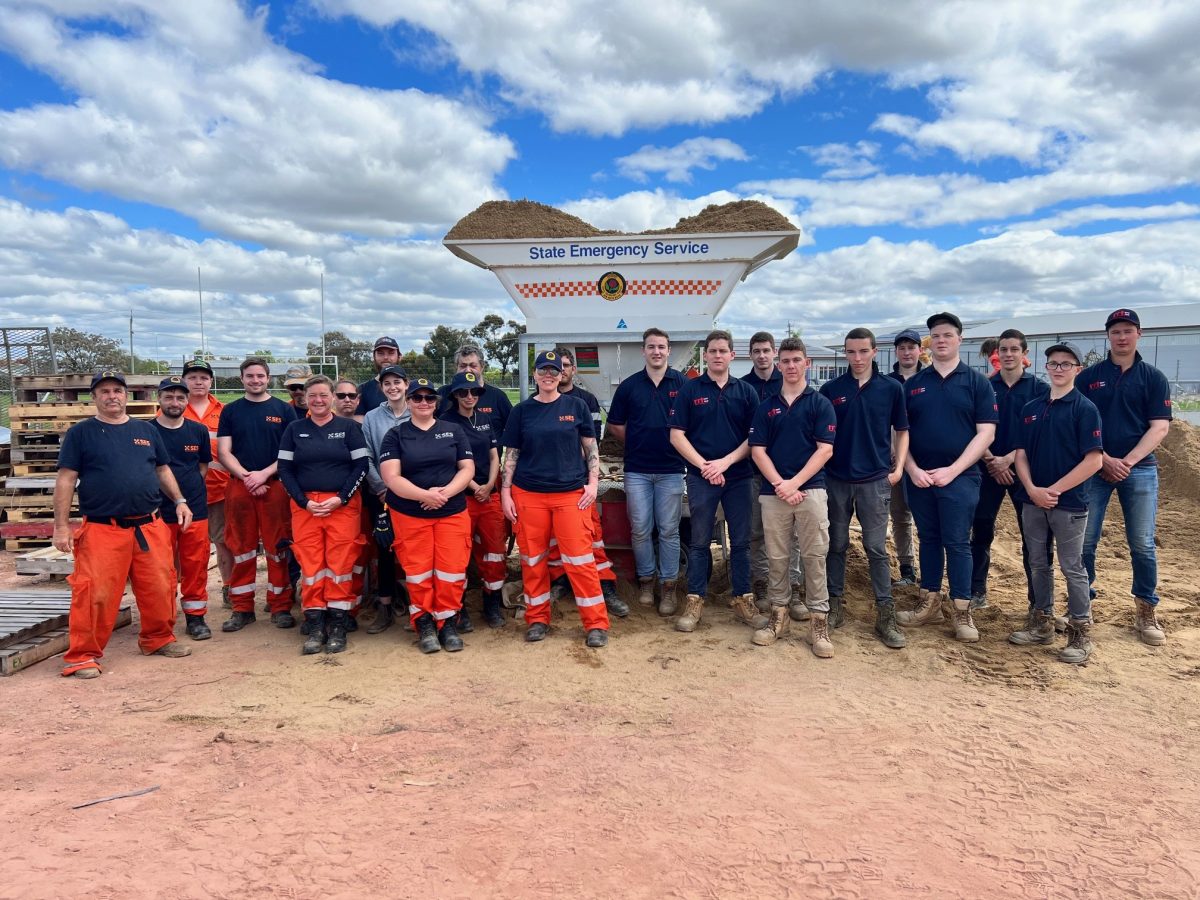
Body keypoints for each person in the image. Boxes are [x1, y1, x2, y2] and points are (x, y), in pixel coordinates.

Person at [53, 370, 193, 678]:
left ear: (125, 395)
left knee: (160, 586)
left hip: (150, 525)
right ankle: (83, 656)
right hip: (104, 529)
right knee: (95, 594)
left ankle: (158, 639)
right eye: (104, 391)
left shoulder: (146, 431)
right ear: (95, 397)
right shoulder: (82, 433)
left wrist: (180, 500)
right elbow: (66, 479)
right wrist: (61, 526)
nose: (112, 396)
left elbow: (162, 470)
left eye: (117, 390)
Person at [898, 312, 998, 643]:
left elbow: (986, 433)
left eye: (947, 335)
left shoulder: (977, 383)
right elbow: (900, 434)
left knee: (956, 541)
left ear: (959, 339)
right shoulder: (914, 385)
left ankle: (961, 609)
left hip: (960, 477)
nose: (941, 340)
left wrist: (953, 470)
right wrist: (912, 469)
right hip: (921, 477)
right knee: (928, 538)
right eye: (935, 336)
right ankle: (928, 601)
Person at [500, 351, 610, 647]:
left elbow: (591, 447)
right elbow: (512, 455)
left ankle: (596, 623)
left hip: (570, 495)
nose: (548, 375)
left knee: (580, 561)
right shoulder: (521, 411)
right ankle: (537, 618)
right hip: (529, 495)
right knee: (533, 561)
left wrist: (592, 484)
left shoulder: (576, 406)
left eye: (554, 370)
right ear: (534, 375)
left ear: (561, 374)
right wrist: (506, 492)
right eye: (542, 371)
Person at [1077, 308, 1173, 646]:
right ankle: (1081, 605)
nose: (1122, 336)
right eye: (1116, 331)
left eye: (1128, 330)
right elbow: (1078, 423)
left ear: (1138, 335)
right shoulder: (1088, 378)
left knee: (1142, 544)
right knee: (1085, 541)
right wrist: (1103, 459)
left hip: (1140, 469)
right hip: (1094, 467)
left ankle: (1146, 609)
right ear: (1108, 336)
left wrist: (1127, 462)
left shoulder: (1153, 377)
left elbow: (1159, 426)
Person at [1009, 342, 1104, 663]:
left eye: (1066, 364)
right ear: (1045, 367)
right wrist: (1033, 489)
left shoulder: (1085, 409)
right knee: (1037, 563)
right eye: (1053, 363)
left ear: (1077, 369)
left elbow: (1093, 460)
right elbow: (1020, 454)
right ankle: (1042, 622)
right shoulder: (1031, 408)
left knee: (1072, 566)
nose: (1059, 368)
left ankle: (1080, 632)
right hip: (1032, 500)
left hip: (1069, 504)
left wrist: (1053, 491)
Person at [819, 328, 910, 649]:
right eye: (851, 352)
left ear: (874, 352)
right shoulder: (831, 390)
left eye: (862, 351)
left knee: (875, 547)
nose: (857, 358)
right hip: (837, 480)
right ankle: (834, 605)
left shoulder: (891, 389)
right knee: (837, 544)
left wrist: (898, 469)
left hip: (875, 481)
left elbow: (902, 431)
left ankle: (886, 614)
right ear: (845, 353)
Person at [668, 330, 763, 633]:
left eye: (724, 351)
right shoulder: (690, 390)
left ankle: (743, 599)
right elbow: (676, 435)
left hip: (738, 477)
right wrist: (705, 466)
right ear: (705, 355)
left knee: (741, 542)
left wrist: (725, 462)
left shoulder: (746, 392)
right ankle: (695, 601)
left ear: (732, 356)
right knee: (698, 542)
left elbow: (755, 438)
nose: (718, 355)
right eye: (713, 351)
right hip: (700, 478)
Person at [749, 338, 837, 655]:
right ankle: (778, 617)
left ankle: (818, 623)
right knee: (777, 557)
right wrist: (780, 484)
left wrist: (795, 483)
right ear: (778, 363)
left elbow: (825, 449)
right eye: (784, 361)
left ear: (807, 362)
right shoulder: (766, 405)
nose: (790, 366)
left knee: (814, 556)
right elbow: (757, 450)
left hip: (811, 490)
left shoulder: (819, 403)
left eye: (796, 360)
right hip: (774, 494)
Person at [380, 378, 475, 653]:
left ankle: (448, 623)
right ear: (408, 402)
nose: (424, 403)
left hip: (451, 512)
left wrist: (442, 494)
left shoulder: (453, 430)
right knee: (418, 571)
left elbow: (467, 468)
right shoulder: (395, 435)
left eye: (429, 398)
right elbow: (391, 477)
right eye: (417, 398)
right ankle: (423, 623)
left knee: (451, 570)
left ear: (437, 402)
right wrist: (425, 496)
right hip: (411, 514)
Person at [277, 375, 369, 654]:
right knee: (312, 565)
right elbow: (284, 470)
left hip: (342, 505)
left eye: (324, 395)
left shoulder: (349, 428)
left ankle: (339, 624)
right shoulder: (295, 429)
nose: (318, 400)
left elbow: (361, 466)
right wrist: (304, 501)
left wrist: (341, 498)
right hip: (306, 507)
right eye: (313, 395)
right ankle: (315, 624)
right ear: (305, 398)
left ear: (332, 398)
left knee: (340, 565)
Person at [606, 327, 687, 613]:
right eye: (651, 346)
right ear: (643, 351)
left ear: (669, 351)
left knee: (668, 530)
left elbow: (692, 424)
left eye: (661, 347)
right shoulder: (629, 387)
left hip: (671, 470)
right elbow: (615, 424)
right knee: (640, 529)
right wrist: (638, 438)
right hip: (637, 470)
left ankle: (668, 588)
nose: (656, 351)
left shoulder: (683, 384)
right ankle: (645, 581)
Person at [969, 329, 1049, 609]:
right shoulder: (985, 387)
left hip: (1024, 471)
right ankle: (976, 590)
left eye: (1014, 350)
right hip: (988, 469)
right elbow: (975, 427)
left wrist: (1010, 459)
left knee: (1033, 537)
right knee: (981, 530)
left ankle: (1037, 600)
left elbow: (1040, 433)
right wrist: (992, 460)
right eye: (1003, 350)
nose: (1008, 355)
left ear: (1024, 354)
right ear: (997, 353)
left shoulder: (1040, 390)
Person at [216, 357, 298, 632]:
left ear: (268, 378)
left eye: (260, 376)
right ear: (242, 379)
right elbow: (224, 451)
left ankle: (280, 606)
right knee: (241, 548)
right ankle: (242, 608)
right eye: (250, 376)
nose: (255, 381)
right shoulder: (231, 411)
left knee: (278, 548)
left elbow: (290, 452)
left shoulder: (283, 410)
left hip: (275, 485)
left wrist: (263, 474)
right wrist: (248, 477)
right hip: (241, 486)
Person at [545, 347, 628, 618]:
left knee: (592, 539)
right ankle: (560, 583)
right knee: (554, 540)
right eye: (558, 366)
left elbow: (592, 441)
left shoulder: (586, 401)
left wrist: (568, 462)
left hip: (579, 483)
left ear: (573, 369)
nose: (563, 370)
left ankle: (605, 586)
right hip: (549, 486)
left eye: (567, 365)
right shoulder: (539, 401)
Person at [741, 331, 802, 608]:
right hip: (755, 472)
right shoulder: (742, 387)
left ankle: (794, 584)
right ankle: (762, 584)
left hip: (791, 473)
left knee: (794, 535)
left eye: (767, 350)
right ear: (750, 354)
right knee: (757, 532)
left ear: (774, 354)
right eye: (757, 351)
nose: (762, 355)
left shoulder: (789, 381)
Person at [442, 370, 507, 628]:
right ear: (455, 394)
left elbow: (494, 455)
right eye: (463, 392)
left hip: (488, 497)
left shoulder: (484, 419)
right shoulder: (445, 421)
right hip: (461, 498)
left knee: (495, 552)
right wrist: (474, 486)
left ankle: (491, 604)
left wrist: (490, 484)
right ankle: (460, 609)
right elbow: (451, 462)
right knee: (458, 555)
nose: (469, 397)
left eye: (474, 392)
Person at [153, 376, 213, 640]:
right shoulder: (146, 431)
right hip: (158, 511)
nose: (174, 402)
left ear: (187, 401)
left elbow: (202, 466)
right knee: (161, 568)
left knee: (195, 565)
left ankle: (195, 618)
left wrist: (188, 495)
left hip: (196, 509)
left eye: (180, 397)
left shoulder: (197, 430)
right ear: (159, 399)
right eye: (169, 397)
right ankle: (163, 619)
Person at [361, 364, 411, 633]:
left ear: (406, 384)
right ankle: (385, 606)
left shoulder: (419, 409)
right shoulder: (371, 417)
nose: (393, 387)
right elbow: (367, 454)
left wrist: (407, 489)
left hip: (413, 494)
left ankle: (417, 604)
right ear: (381, 387)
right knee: (384, 548)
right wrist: (382, 485)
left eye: (397, 382)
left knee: (413, 549)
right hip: (380, 493)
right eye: (387, 383)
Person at [182, 358, 234, 608]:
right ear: (184, 381)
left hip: (219, 490)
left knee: (224, 541)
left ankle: (228, 587)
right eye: (192, 377)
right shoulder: (173, 408)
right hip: (183, 494)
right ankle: (187, 593)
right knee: (186, 546)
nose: (198, 382)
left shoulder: (224, 411)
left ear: (211, 381)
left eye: (203, 377)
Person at [888, 329, 924, 586]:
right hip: (892, 459)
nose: (907, 352)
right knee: (900, 516)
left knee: (926, 518)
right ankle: (907, 567)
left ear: (920, 350)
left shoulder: (931, 380)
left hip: (923, 461)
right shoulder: (888, 383)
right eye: (902, 348)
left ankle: (932, 572)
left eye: (911, 347)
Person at [355, 336, 401, 420]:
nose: (386, 357)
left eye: (391, 353)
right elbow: (360, 425)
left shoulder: (412, 389)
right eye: (381, 353)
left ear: (399, 356)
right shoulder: (363, 390)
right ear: (374, 357)